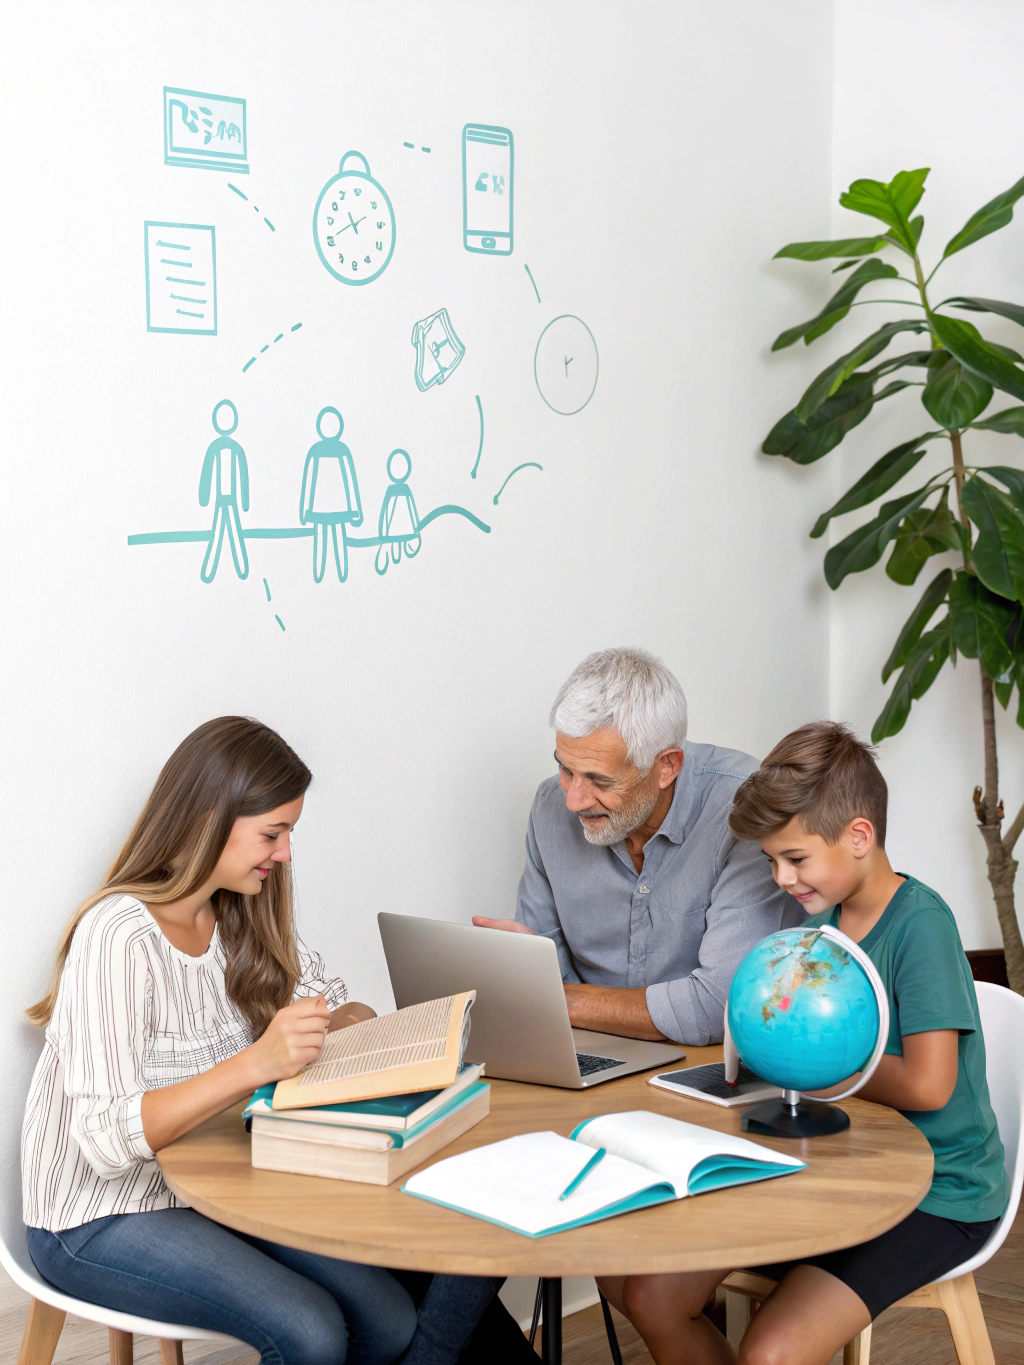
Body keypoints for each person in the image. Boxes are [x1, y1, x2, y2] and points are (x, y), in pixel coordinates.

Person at [22, 717, 505, 1365]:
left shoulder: (242, 913)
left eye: (289, 833)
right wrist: (258, 1063)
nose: (284, 854)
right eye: (272, 833)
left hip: (213, 1185)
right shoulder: (121, 935)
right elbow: (105, 1141)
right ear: (206, 821)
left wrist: (343, 1026)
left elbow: (339, 1002)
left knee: (388, 1321)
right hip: (99, 1213)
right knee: (308, 1330)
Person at [599, 721, 1009, 1365]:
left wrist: (810, 1069)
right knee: (649, 1295)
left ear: (859, 837)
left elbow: (932, 1085)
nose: (782, 878)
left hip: (939, 1192)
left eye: (795, 858)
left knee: (773, 1352)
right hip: (836, 1166)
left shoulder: (920, 925)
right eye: (771, 861)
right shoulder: (820, 923)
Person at [473, 647, 799, 1044]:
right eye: (565, 768)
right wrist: (520, 975)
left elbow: (720, 1007)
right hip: (585, 1049)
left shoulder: (744, 809)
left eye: (600, 780)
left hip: (709, 1066)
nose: (574, 800)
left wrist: (554, 999)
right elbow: (541, 975)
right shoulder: (549, 808)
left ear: (667, 766)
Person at [300, 406, 364, 583]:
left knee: (334, 538)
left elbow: (350, 482)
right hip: (332, 508)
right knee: (325, 538)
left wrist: (304, 511)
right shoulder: (325, 451)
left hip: (332, 508)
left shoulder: (339, 451)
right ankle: (321, 573)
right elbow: (309, 482)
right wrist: (356, 510)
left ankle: (338, 573)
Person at [198, 399, 249, 584]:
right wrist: (204, 498)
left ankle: (242, 569)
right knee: (217, 532)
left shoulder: (237, 449)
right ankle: (209, 572)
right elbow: (207, 472)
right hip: (220, 500)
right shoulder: (214, 448)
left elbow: (243, 473)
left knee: (234, 531)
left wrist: (244, 501)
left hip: (233, 500)